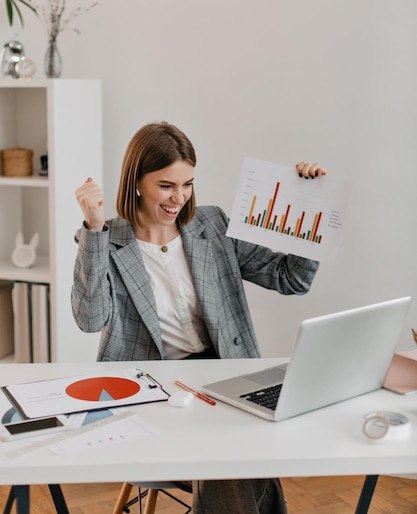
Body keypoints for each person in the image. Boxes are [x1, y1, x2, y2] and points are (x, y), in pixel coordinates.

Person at [72, 121, 327, 514]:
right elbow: (91, 320)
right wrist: (92, 227)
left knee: (238, 449)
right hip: (154, 391)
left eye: (187, 184)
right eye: (167, 185)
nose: (179, 197)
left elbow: (289, 278)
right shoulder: (106, 239)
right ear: (136, 181)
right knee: (233, 456)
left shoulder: (213, 225)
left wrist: (310, 204)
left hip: (225, 378)